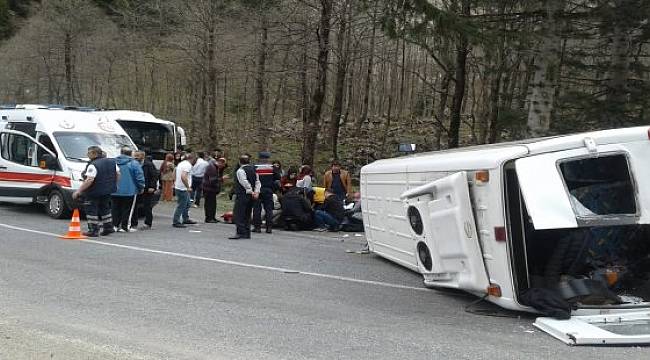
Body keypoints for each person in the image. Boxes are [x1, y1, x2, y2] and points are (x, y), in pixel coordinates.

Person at [72, 146, 119, 237]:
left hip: (94, 191)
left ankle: (93, 230)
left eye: (89, 153)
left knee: (91, 210)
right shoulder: (112, 162)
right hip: (107, 190)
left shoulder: (93, 164)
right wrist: (115, 184)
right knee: (105, 208)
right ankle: (108, 227)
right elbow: (118, 174)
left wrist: (79, 191)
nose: (87, 154)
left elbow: (89, 180)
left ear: (94, 154)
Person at [111, 146, 145, 232]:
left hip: (115, 190)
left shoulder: (113, 162)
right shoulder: (134, 163)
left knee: (115, 208)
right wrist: (141, 187)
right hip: (130, 190)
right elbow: (139, 177)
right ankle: (125, 226)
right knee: (128, 209)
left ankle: (114, 225)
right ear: (131, 153)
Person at [229, 154, 260, 239]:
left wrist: (250, 191)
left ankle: (240, 232)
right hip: (251, 195)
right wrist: (256, 192)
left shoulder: (240, 171)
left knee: (239, 214)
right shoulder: (254, 170)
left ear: (239, 162)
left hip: (243, 194)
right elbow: (257, 181)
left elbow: (244, 182)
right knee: (247, 214)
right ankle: (247, 232)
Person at [252, 151, 281, 234]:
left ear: (259, 158)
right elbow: (278, 178)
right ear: (267, 158)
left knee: (257, 209)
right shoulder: (272, 168)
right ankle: (269, 227)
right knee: (268, 209)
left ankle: (257, 227)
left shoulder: (255, 167)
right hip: (268, 190)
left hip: (257, 189)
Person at [132, 151, 158, 230]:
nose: (136, 157)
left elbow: (154, 176)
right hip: (137, 187)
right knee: (134, 206)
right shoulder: (133, 164)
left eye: (137, 156)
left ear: (143, 156)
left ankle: (148, 223)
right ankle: (133, 223)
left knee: (147, 206)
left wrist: (152, 186)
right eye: (135, 156)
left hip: (147, 188)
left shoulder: (148, 165)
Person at [173, 152, 198, 228]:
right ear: (192, 159)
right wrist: (188, 187)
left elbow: (174, 171)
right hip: (183, 188)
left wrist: (175, 181)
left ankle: (185, 218)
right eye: (195, 160)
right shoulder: (188, 165)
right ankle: (176, 221)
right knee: (181, 205)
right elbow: (183, 176)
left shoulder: (181, 163)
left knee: (187, 204)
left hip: (179, 186)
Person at [203, 157, 227, 223]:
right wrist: (221, 178)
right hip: (208, 188)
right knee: (209, 204)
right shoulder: (212, 168)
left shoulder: (216, 168)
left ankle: (212, 217)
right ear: (220, 163)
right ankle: (209, 218)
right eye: (223, 165)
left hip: (212, 189)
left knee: (213, 204)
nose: (223, 166)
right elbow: (212, 180)